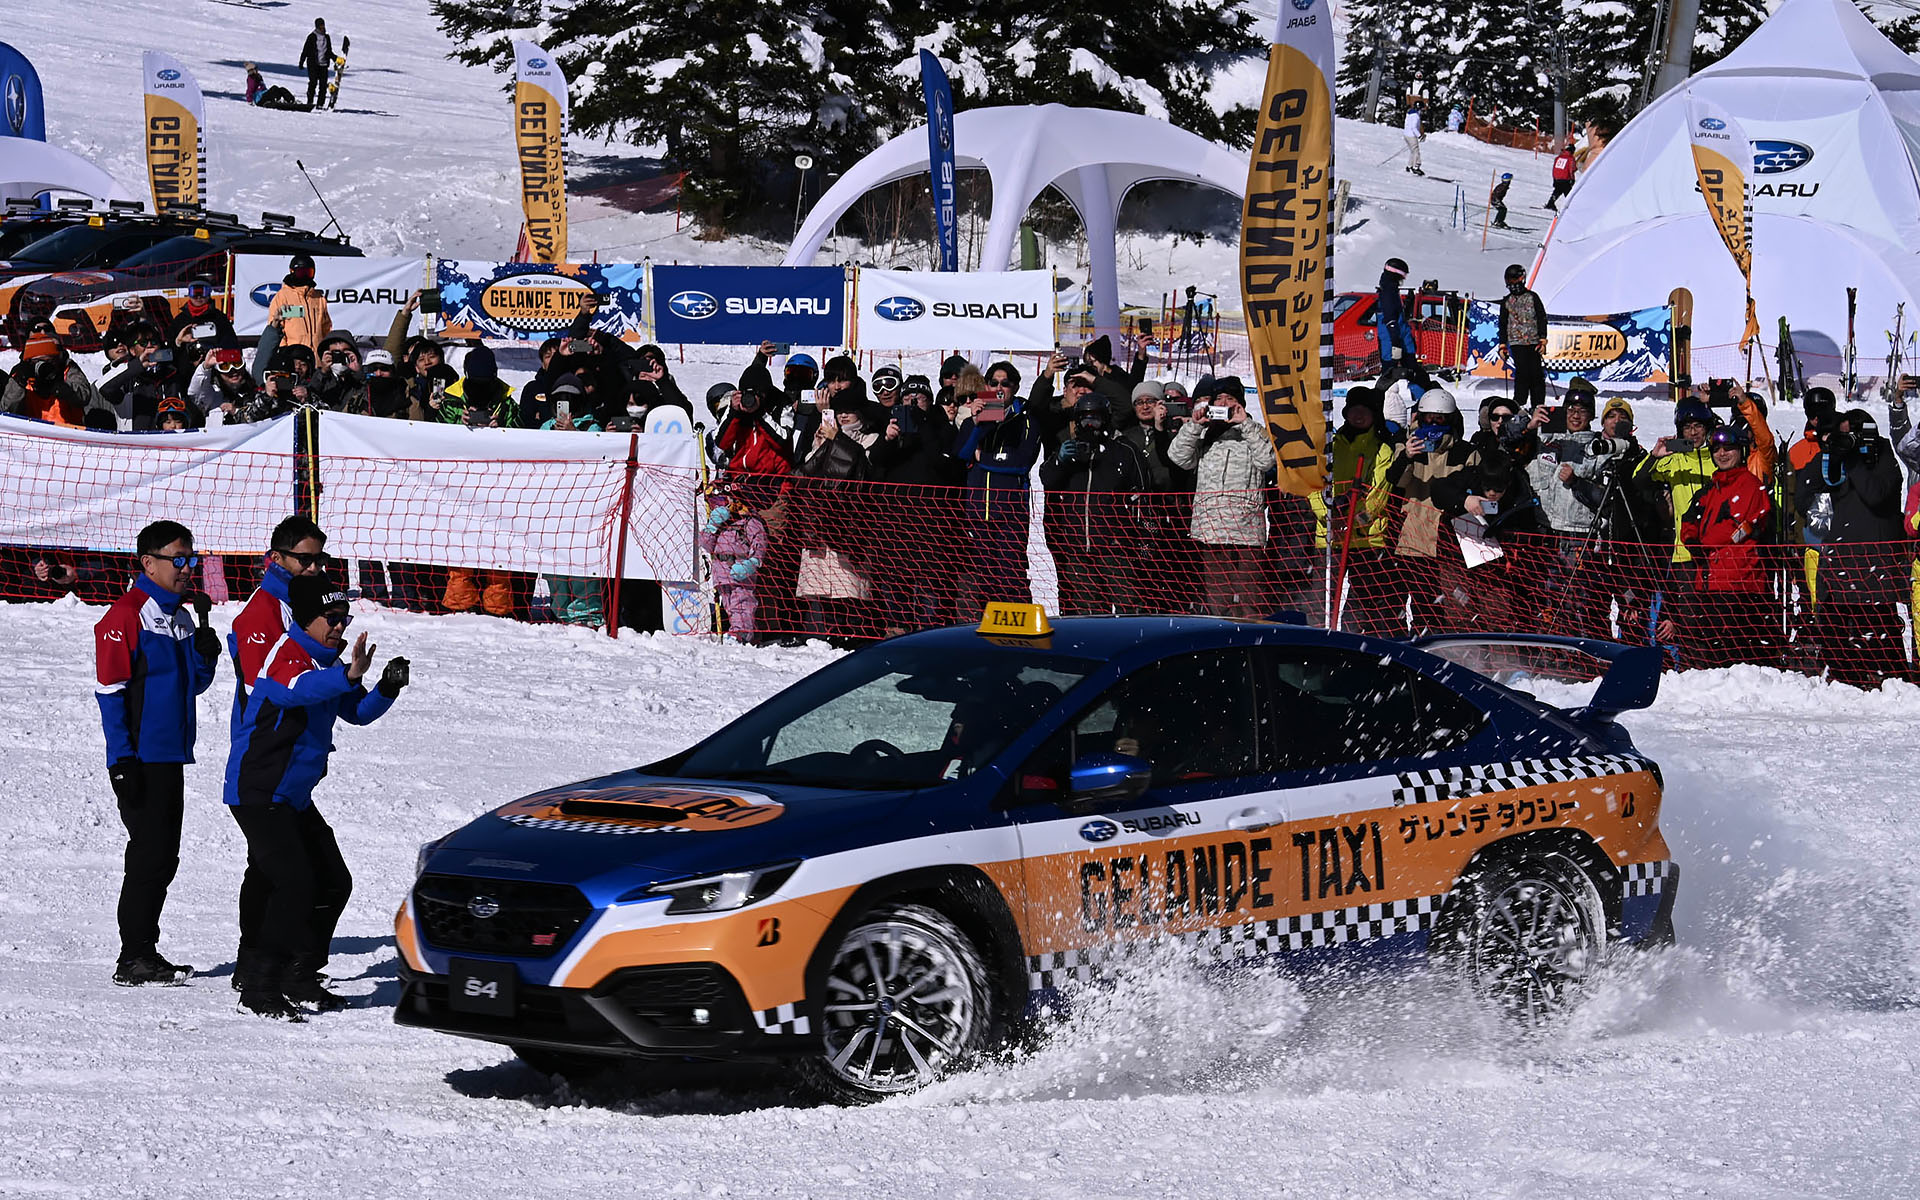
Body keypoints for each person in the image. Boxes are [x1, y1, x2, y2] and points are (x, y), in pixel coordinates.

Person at [226, 577, 408, 1019]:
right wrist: (346, 674)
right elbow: (300, 690)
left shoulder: (329, 663)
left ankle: (301, 975)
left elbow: (355, 712)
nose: (339, 627)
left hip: (293, 797)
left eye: (344, 619)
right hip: (258, 792)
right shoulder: (282, 656)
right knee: (294, 884)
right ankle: (259, 984)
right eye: (331, 618)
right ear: (304, 619)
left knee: (332, 882)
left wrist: (385, 687)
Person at [95, 520, 221, 986]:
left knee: (164, 855)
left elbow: (196, 687)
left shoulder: (183, 617)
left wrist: (205, 654)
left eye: (192, 560)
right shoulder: (125, 615)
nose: (188, 569)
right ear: (148, 563)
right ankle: (134, 956)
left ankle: (143, 950)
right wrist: (121, 760)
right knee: (149, 855)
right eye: (179, 560)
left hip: (172, 756)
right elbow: (110, 691)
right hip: (142, 759)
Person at [1796, 408, 1905, 687]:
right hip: (1839, 565)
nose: (1847, 440)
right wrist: (1829, 452)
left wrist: (1854, 459)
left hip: (1874, 571)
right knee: (1834, 634)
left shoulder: (1882, 458)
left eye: (1851, 435)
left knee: (1881, 638)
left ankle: (1892, 685)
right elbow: (1804, 499)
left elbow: (1877, 495)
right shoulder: (1835, 459)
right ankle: (1845, 682)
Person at [1167, 375, 1275, 617]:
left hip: (1246, 531)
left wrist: (1244, 423)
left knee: (1251, 601)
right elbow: (1178, 457)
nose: (1225, 403)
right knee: (1219, 603)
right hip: (1211, 531)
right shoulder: (1204, 434)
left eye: (1231, 398)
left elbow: (1267, 460)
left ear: (1242, 404)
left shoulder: (1255, 431)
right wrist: (1195, 424)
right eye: (1219, 399)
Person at [1040, 392, 1150, 615]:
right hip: (1078, 545)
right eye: (1085, 419)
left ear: (1105, 420)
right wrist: (1059, 461)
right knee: (1087, 606)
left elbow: (1142, 493)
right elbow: (1047, 479)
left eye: (1095, 419)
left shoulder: (1123, 451)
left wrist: (1143, 535)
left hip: (1115, 546)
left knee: (1127, 602)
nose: (1090, 425)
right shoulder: (1069, 451)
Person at [1680, 425, 1778, 668]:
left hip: (1740, 582)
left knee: (1739, 652)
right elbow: (1689, 518)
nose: (1722, 454)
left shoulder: (1750, 485)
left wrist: (1702, 544)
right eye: (1717, 450)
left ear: (1741, 451)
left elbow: (1737, 528)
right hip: (1710, 580)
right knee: (1713, 650)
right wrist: (1691, 541)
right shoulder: (1711, 488)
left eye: (1729, 449)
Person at [1385, 387, 1480, 635]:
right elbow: (1396, 481)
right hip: (1413, 537)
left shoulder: (1465, 452)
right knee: (1408, 601)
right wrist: (1407, 456)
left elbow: (1474, 488)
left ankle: (1439, 651)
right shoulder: (1408, 448)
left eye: (1439, 418)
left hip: (1450, 540)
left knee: (1446, 605)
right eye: (1428, 418)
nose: (1433, 423)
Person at [1310, 388, 1396, 634]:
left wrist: (1353, 522)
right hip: (1329, 535)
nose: (1359, 416)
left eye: (1365, 411)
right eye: (1354, 410)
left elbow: (1378, 496)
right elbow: (1313, 486)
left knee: (1361, 602)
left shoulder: (1381, 450)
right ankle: (1316, 641)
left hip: (1367, 538)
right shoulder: (1329, 446)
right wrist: (1328, 517)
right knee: (1322, 597)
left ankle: (1350, 643)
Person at [954, 374, 1043, 607]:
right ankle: (989, 632)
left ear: (1015, 387)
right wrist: (976, 423)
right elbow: (961, 455)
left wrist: (983, 457)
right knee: (984, 579)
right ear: (986, 387)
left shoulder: (1025, 419)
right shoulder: (975, 419)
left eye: (1006, 383)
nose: (999, 388)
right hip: (978, 513)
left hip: (1010, 514)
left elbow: (1021, 462)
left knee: (1011, 576)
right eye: (994, 383)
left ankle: (1021, 634)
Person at [699, 484, 769, 642]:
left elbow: (759, 543)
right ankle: (751, 633)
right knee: (730, 606)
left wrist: (752, 562)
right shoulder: (718, 523)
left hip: (739, 569)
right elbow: (705, 544)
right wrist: (713, 525)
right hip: (721, 573)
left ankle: (741, 632)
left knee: (742, 603)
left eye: (720, 500)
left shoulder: (748, 521)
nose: (716, 505)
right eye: (713, 501)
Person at [1498, 264, 1548, 412]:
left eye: (1515, 281)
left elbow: (1541, 318)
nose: (1513, 285)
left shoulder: (1532, 297)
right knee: (1522, 372)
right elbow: (1502, 323)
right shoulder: (1507, 301)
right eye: (1510, 282)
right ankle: (1519, 402)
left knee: (1536, 373)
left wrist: (1543, 339)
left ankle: (1538, 403)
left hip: (1533, 341)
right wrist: (1502, 345)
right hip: (1516, 342)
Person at [266, 254, 332, 355]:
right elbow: (276, 327)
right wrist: (284, 350)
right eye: (301, 273)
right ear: (292, 271)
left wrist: (326, 348)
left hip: (316, 357)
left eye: (308, 273)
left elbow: (326, 327)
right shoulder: (283, 296)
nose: (305, 277)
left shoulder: (318, 298)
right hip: (294, 357)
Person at [1376, 257, 1419, 372]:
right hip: (1392, 339)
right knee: (1390, 372)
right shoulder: (1388, 292)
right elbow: (1389, 318)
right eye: (1402, 276)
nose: (1403, 279)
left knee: (1412, 370)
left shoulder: (1392, 290)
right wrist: (1395, 340)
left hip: (1401, 336)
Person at [299, 19, 332, 110]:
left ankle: (320, 104)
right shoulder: (312, 37)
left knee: (323, 85)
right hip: (313, 64)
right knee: (313, 82)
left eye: (323, 26)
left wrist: (336, 58)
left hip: (324, 64)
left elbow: (329, 51)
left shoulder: (327, 37)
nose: (323, 28)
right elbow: (305, 50)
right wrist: (301, 62)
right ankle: (310, 102)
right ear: (317, 27)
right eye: (321, 26)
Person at [1546, 141, 1577, 210]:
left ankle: (1550, 203)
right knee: (1568, 193)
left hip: (1557, 178)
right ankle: (1572, 207)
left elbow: (1555, 168)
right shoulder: (1570, 159)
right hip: (1565, 179)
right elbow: (1572, 169)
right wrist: (1572, 179)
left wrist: (1554, 178)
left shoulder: (1558, 158)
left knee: (1557, 191)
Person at [1403, 101, 1425, 176]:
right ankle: (1416, 167)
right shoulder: (1415, 115)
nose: (1422, 111)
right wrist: (1419, 135)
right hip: (1411, 135)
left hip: (1406, 134)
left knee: (1413, 151)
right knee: (1416, 152)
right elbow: (1414, 127)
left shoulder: (1409, 113)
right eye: (1422, 109)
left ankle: (1409, 166)